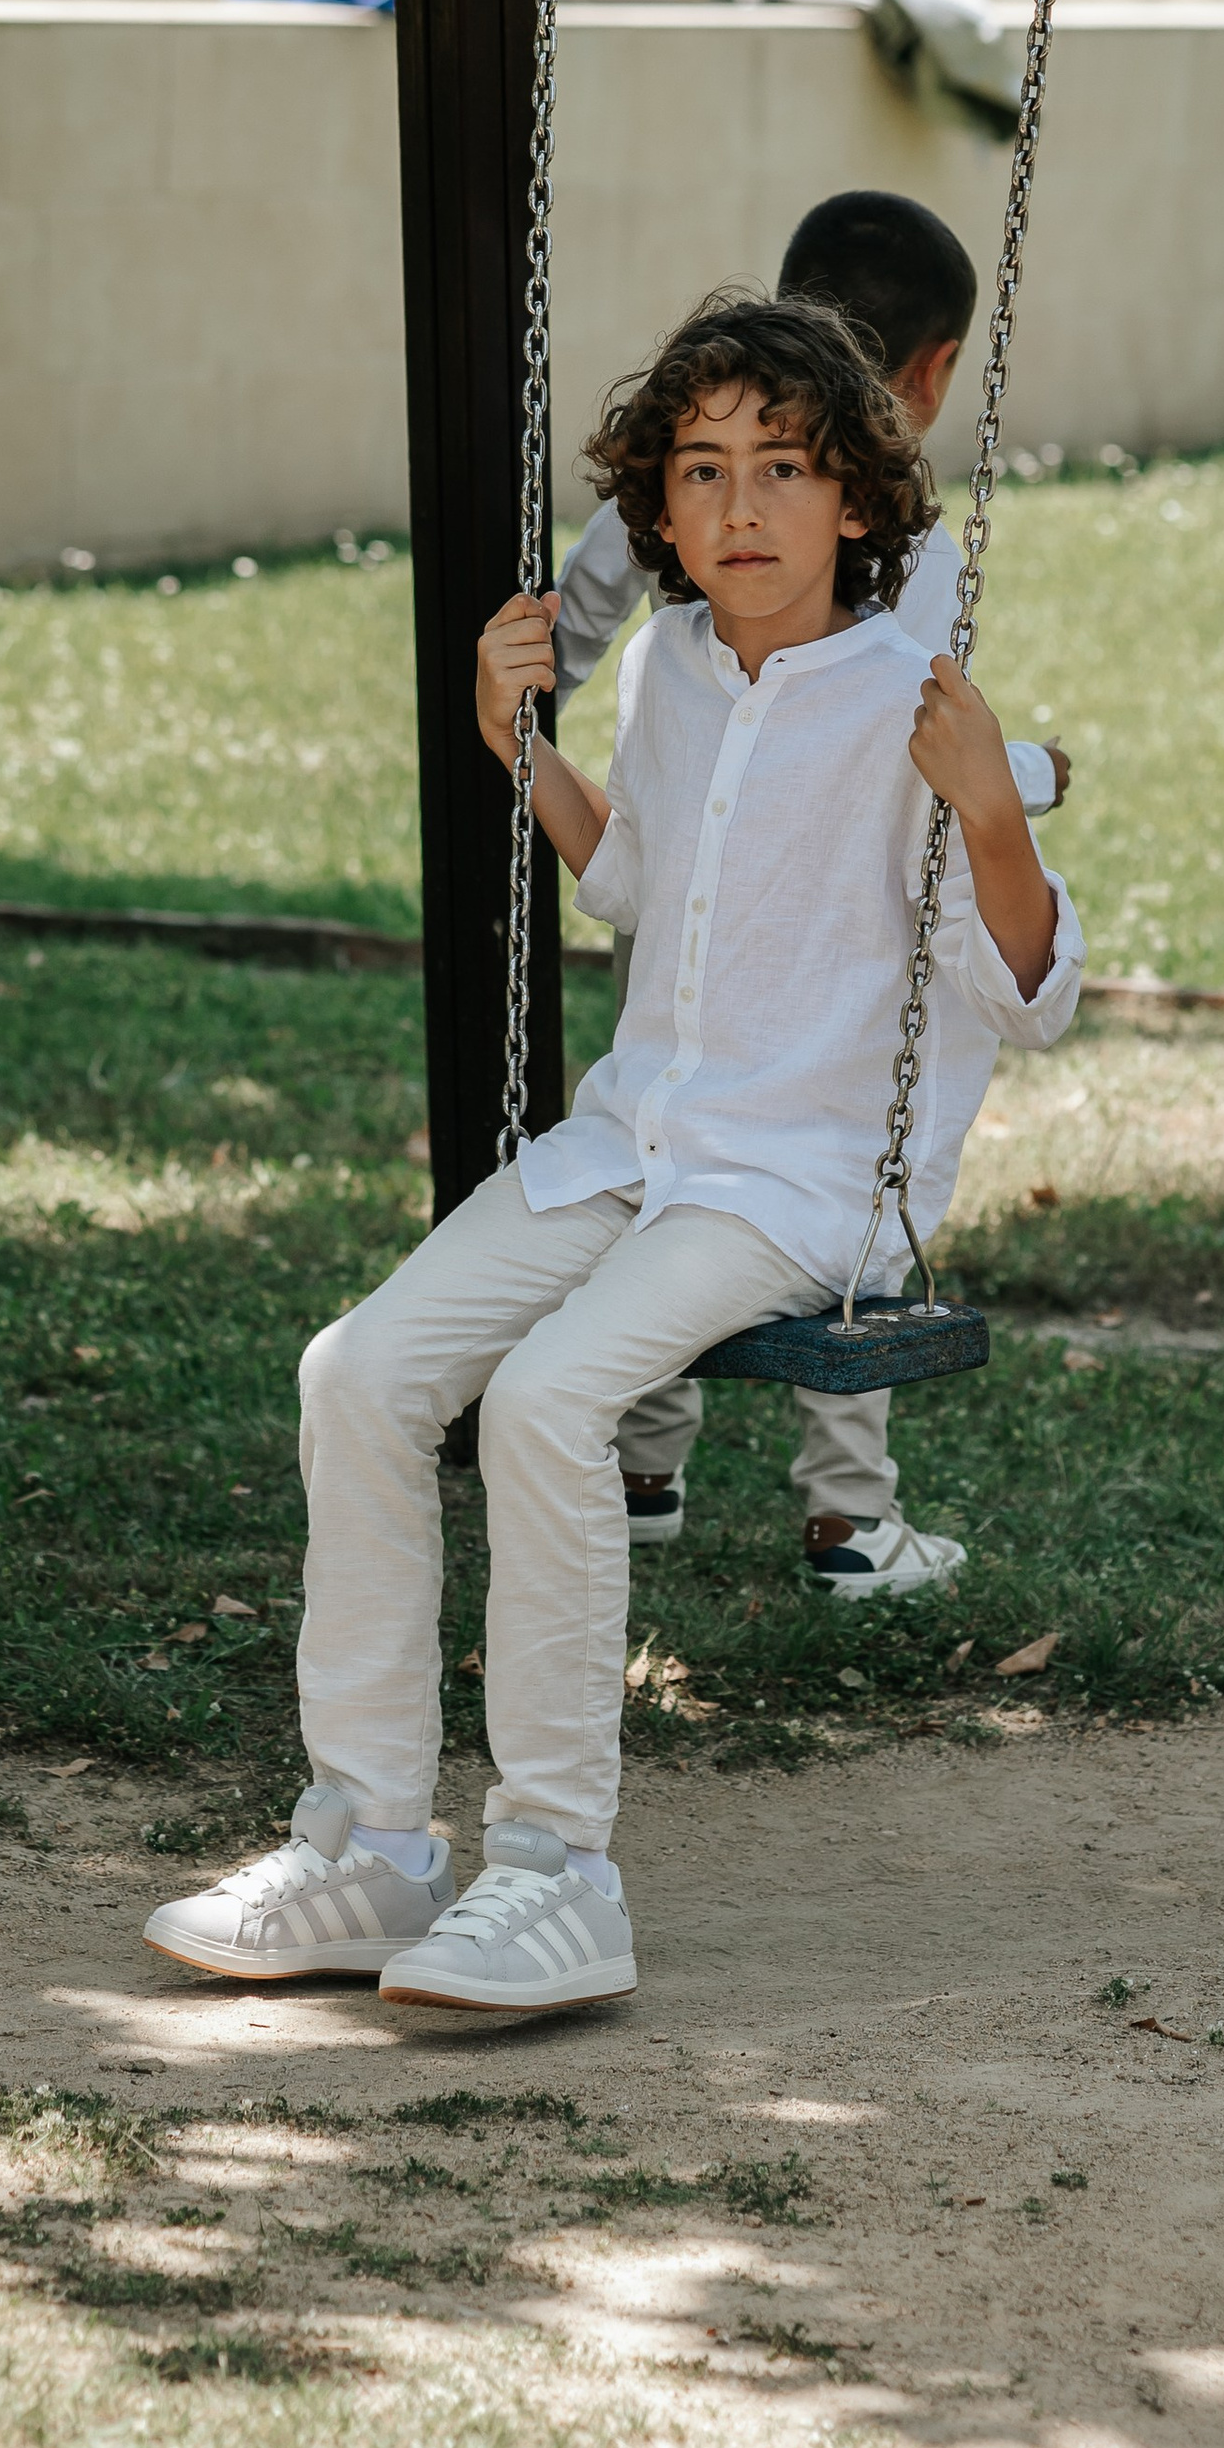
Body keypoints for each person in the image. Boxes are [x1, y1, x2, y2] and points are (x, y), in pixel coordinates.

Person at [143, 292, 1084, 2015]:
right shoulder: (662, 670)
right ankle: (368, 1842)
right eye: (701, 473)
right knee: (357, 1375)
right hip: (632, 1144)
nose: (740, 509)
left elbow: (1028, 999)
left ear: (858, 504)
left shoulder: (914, 704)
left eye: (783, 470)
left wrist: (993, 811)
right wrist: (531, 755)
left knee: (552, 1402)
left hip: (796, 1181)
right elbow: (640, 882)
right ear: (655, 512)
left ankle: (554, 1871)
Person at [555, 188, 1068, 1598]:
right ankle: (845, 1512)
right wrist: (1034, 770)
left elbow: (576, 620)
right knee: (829, 1147)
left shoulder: (672, 472)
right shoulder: (900, 545)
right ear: (934, 375)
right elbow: (902, 736)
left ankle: (643, 1466)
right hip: (810, 917)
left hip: (678, 888)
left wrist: (586, 722)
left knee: (680, 1147)